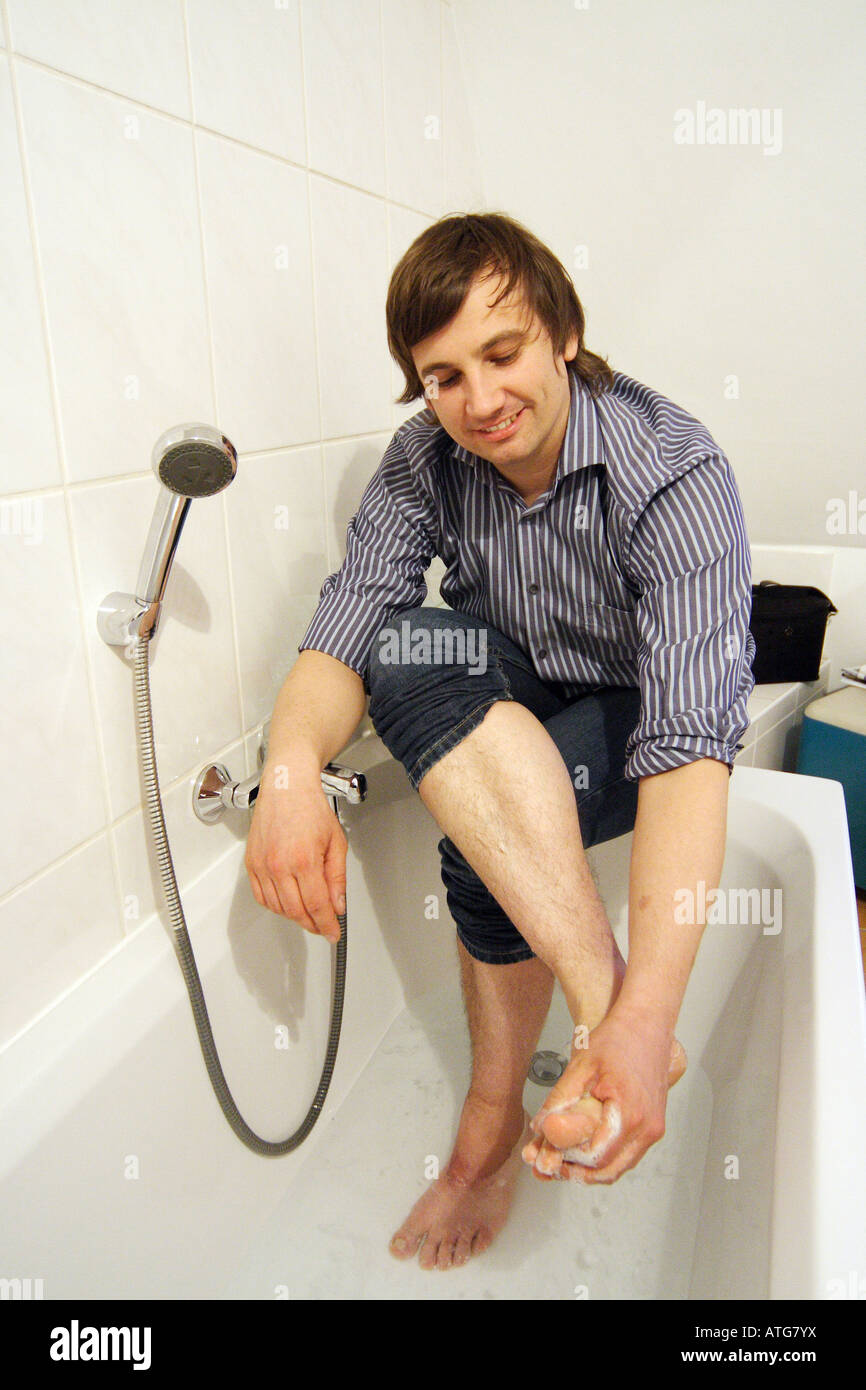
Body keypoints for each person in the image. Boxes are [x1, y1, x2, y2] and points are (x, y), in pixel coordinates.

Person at [245, 211, 756, 1272]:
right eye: (440, 376)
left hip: (630, 712)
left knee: (485, 848)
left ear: (561, 331)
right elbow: (346, 628)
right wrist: (286, 775)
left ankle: (491, 1129)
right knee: (406, 638)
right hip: (509, 689)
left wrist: (655, 993)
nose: (476, 401)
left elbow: (684, 747)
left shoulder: (672, 470)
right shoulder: (422, 459)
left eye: (501, 352)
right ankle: (602, 1013)